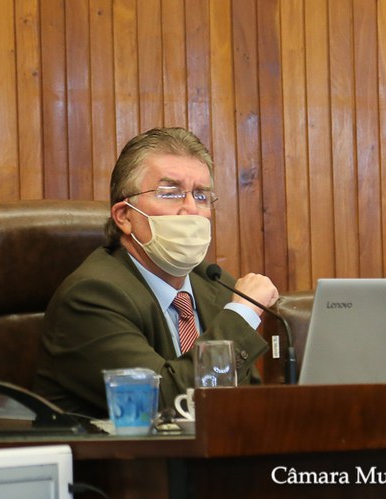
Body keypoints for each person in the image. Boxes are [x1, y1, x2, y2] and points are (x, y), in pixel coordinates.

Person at [33, 127, 279, 417]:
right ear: (125, 216)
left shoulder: (216, 285)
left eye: (201, 195)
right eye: (170, 193)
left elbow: (247, 401)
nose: (191, 209)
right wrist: (241, 316)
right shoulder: (90, 297)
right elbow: (167, 406)